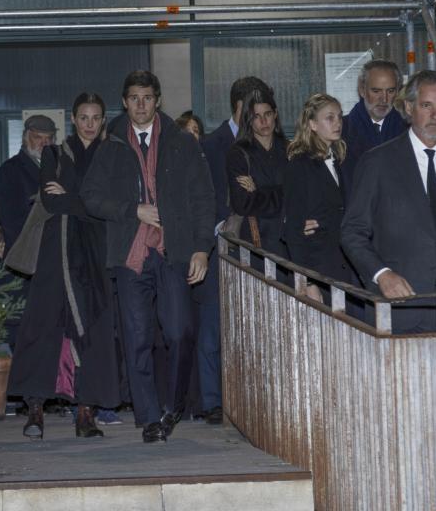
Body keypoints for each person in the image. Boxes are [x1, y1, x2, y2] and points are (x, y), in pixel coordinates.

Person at [81, 70, 215, 443]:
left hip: (174, 251)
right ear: (124, 102)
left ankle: (172, 406)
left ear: (157, 101)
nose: (141, 105)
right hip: (130, 254)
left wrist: (202, 248)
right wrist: (131, 209)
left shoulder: (182, 142)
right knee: (136, 337)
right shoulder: (109, 145)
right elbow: (90, 196)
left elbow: (204, 199)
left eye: (147, 98)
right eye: (134, 98)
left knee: (180, 330)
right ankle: (150, 416)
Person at [340, 70, 436, 334]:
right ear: (409, 107)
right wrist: (382, 275)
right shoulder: (377, 162)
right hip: (398, 307)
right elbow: (352, 232)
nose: (435, 116)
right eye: (426, 106)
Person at [8, 92, 120, 440]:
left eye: (95, 117)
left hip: (95, 254)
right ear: (73, 119)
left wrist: (75, 198)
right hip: (55, 254)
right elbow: (53, 202)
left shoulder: (112, 154)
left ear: (103, 120)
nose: (89, 124)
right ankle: (36, 409)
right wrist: (88, 202)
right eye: (83, 117)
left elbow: (115, 205)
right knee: (43, 326)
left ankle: (86, 411)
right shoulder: (54, 153)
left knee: (95, 329)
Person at [195, 76, 273, 426]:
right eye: (253, 109)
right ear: (239, 106)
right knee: (212, 327)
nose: (260, 119)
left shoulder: (269, 144)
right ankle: (212, 400)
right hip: (216, 245)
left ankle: (249, 397)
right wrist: (219, 227)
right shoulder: (212, 144)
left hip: (258, 244)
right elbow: (201, 194)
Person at [283, 93, 352, 303]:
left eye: (339, 117)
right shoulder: (300, 165)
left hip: (342, 264)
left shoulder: (339, 160)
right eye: (329, 118)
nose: (337, 123)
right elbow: (293, 230)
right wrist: (308, 282)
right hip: (317, 267)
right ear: (312, 124)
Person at [226, 87, 288, 257]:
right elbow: (243, 203)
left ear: (275, 114)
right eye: (256, 116)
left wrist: (257, 192)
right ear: (249, 119)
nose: (263, 121)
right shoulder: (238, 153)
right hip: (254, 245)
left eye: (267, 114)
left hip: (289, 242)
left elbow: (298, 196)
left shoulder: (290, 150)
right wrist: (281, 193)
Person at [341, 59, 408, 197]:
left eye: (390, 91)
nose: (383, 99)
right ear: (362, 90)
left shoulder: (409, 132)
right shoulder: (339, 132)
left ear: (398, 91)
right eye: (376, 90)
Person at [0, 115, 57, 253]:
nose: (44, 143)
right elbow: (11, 221)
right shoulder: (10, 170)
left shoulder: (61, 168)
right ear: (25, 138)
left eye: (48, 138)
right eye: (38, 138)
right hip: (28, 251)